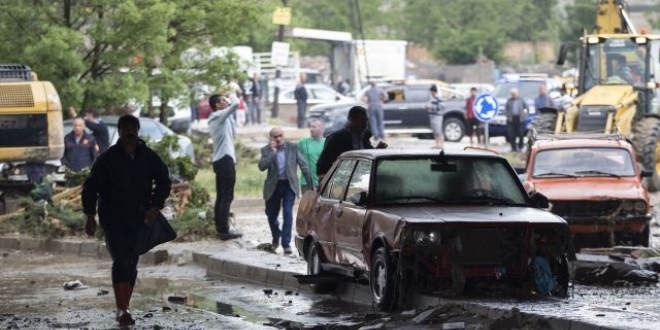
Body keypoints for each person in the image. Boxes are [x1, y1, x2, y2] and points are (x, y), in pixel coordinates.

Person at [81, 114, 171, 326]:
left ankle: (125, 307)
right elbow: (90, 188)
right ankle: (122, 309)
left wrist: (155, 206)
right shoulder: (108, 159)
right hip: (113, 218)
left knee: (131, 262)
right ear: (119, 132)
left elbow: (164, 181)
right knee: (120, 260)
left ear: (137, 131)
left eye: (133, 128)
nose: (130, 131)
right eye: (125, 128)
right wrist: (90, 215)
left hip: (139, 217)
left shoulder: (148, 157)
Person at [258, 127, 312, 254]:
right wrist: (273, 152)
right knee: (271, 215)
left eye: (280, 135)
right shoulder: (266, 149)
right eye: (275, 137)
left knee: (288, 213)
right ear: (271, 138)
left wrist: (311, 184)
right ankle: (276, 237)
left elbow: (303, 164)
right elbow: (261, 166)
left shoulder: (293, 147)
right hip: (273, 186)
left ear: (284, 136)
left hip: (289, 185)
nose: (278, 138)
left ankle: (286, 244)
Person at [316, 106, 387, 179]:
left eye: (366, 120)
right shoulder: (337, 138)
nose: (365, 125)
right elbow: (322, 166)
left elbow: (368, 162)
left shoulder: (363, 139)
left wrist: (378, 151)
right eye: (362, 120)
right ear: (351, 119)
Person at [208, 93, 243, 240]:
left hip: (222, 160)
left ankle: (220, 228)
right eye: (223, 100)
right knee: (226, 196)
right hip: (225, 160)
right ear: (217, 105)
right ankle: (223, 230)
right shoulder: (217, 116)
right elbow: (235, 104)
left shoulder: (223, 118)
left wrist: (229, 109)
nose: (226, 101)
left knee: (222, 196)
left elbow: (233, 132)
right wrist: (232, 95)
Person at [298, 120, 325, 192]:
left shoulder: (327, 142)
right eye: (310, 127)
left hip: (323, 181)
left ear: (322, 129)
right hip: (306, 182)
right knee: (308, 203)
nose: (311, 129)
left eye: (314, 127)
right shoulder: (303, 142)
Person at [504, 88, 529, 152]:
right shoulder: (509, 100)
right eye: (512, 94)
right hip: (511, 119)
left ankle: (520, 147)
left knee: (521, 133)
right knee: (512, 134)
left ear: (517, 94)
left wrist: (525, 115)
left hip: (520, 119)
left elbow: (526, 108)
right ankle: (513, 147)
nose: (513, 95)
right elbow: (506, 109)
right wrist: (507, 115)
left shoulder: (521, 100)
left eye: (514, 94)